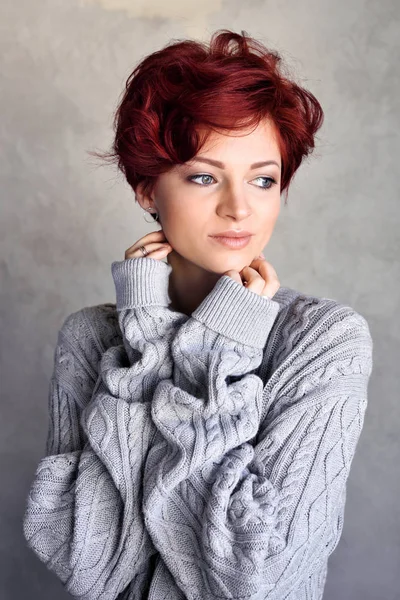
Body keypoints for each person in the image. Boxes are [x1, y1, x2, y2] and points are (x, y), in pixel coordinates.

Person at [22, 29, 373, 600]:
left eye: (264, 179)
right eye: (204, 176)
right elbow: (86, 563)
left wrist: (217, 351)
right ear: (146, 189)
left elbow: (257, 582)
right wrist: (150, 340)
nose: (240, 208)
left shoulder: (323, 341)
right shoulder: (92, 337)